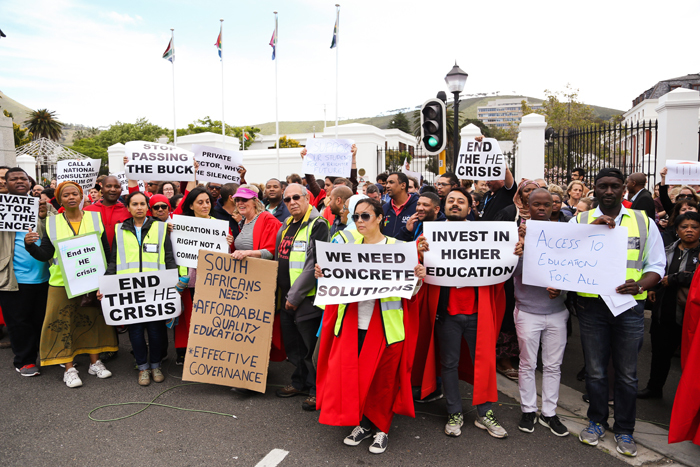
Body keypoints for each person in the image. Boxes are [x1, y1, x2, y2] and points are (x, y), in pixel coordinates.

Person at [316, 197, 425, 454]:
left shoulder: (400, 247)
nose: (360, 221)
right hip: (354, 325)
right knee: (355, 378)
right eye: (356, 217)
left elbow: (410, 292)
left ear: (379, 218)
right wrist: (323, 274)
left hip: (387, 327)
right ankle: (363, 424)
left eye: (365, 216)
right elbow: (334, 289)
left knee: (383, 381)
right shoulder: (347, 250)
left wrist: (418, 278)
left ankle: (381, 429)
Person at [570, 167, 666, 457]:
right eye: (603, 186)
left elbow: (657, 265)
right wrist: (590, 231)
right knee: (596, 372)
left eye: (615, 186)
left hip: (629, 307)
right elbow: (565, 259)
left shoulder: (643, 221)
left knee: (626, 374)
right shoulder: (580, 219)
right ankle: (596, 421)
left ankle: (625, 429)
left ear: (624, 188)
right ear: (594, 189)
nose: (609, 191)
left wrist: (640, 285)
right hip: (592, 306)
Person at [419, 187, 509, 439]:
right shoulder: (429, 235)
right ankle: (454, 412)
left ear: (471, 207)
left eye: (461, 201)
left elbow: (501, 267)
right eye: (451, 201)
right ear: (443, 207)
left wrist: (515, 252)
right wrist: (419, 253)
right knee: (448, 364)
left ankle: (485, 413)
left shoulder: (486, 234)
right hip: (446, 313)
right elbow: (415, 270)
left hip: (478, 312)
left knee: (485, 362)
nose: (455, 204)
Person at [24, 181, 117, 388]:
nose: (71, 197)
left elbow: (106, 251)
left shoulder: (95, 218)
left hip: (92, 280)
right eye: (66, 195)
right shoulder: (52, 222)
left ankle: (95, 363)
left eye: (75, 193)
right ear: (60, 199)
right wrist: (30, 246)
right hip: (61, 283)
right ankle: (69, 368)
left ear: (82, 195)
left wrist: (106, 278)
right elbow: (46, 254)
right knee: (62, 323)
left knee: (92, 320)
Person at [99, 191, 179, 386]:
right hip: (130, 292)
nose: (139, 207)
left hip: (155, 291)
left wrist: (174, 285)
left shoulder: (160, 228)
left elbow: (169, 258)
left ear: (147, 207)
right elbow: (114, 262)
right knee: (135, 332)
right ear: (128, 208)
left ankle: (155, 364)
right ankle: (142, 367)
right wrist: (106, 285)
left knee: (156, 331)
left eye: (143, 203)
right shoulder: (120, 230)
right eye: (135, 204)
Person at [512, 189, 570, 436]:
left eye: (548, 204)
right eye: (537, 204)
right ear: (527, 205)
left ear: (555, 206)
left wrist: (562, 289)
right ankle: (528, 410)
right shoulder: (516, 234)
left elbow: (575, 269)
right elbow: (509, 272)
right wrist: (522, 246)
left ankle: (549, 413)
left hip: (557, 311)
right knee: (527, 364)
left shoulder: (567, 235)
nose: (543, 208)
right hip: (527, 310)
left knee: (553, 365)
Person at [274, 183, 329, 411]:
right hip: (286, 297)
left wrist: (295, 296)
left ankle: (318, 391)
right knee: (294, 347)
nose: (292, 202)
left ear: (307, 198)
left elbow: (313, 264)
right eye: (287, 200)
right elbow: (279, 258)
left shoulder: (318, 224)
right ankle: (299, 383)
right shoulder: (286, 224)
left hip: (306, 299)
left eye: (296, 197)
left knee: (311, 349)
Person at [639, 212, 700, 399]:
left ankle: (689, 397)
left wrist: (675, 278)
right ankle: (654, 388)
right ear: (677, 230)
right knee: (660, 353)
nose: (689, 230)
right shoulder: (667, 250)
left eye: (695, 227)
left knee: (691, 359)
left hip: (691, 315)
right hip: (664, 311)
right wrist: (653, 288)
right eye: (684, 227)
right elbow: (655, 270)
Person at [174, 186, 233, 364]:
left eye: (207, 201)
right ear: (191, 206)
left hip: (212, 280)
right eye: (200, 202)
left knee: (210, 318)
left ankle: (209, 353)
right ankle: (188, 353)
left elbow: (228, 255)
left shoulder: (220, 225)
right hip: (189, 280)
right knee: (189, 318)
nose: (205, 205)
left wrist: (230, 243)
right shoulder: (180, 225)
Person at [0, 168, 50, 376]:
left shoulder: (42, 206)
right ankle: (25, 361)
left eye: (23, 178)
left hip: (44, 276)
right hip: (14, 278)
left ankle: (45, 355)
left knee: (42, 320)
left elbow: (55, 233)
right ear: (6, 183)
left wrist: (45, 216)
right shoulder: (2, 208)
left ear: (29, 182)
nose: (20, 181)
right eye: (14, 179)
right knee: (19, 322)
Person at [84, 175, 131, 249]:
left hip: (120, 257)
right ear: (102, 190)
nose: (113, 189)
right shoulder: (87, 211)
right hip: (95, 256)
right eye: (109, 186)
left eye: (116, 187)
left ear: (121, 190)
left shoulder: (128, 212)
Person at [382, 172, 418, 238]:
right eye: (387, 183)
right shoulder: (384, 209)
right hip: (387, 248)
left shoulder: (417, 207)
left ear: (403, 185)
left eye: (391, 182)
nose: (387, 186)